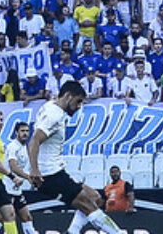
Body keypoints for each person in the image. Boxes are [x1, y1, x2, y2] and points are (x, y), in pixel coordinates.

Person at [28, 80, 125, 234]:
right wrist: (34, 170)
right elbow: (34, 140)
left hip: (57, 171)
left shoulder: (51, 106)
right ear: (68, 96)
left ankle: (72, 231)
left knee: (95, 197)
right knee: (89, 205)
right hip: (50, 175)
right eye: (78, 101)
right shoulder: (54, 115)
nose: (79, 106)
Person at [0, 122, 38, 234]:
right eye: (22, 131)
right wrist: (28, 178)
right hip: (7, 189)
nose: (25, 133)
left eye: (27, 131)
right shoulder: (13, 147)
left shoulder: (24, 147)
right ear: (16, 133)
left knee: (26, 217)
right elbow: (13, 167)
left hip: (16, 190)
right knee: (0, 218)